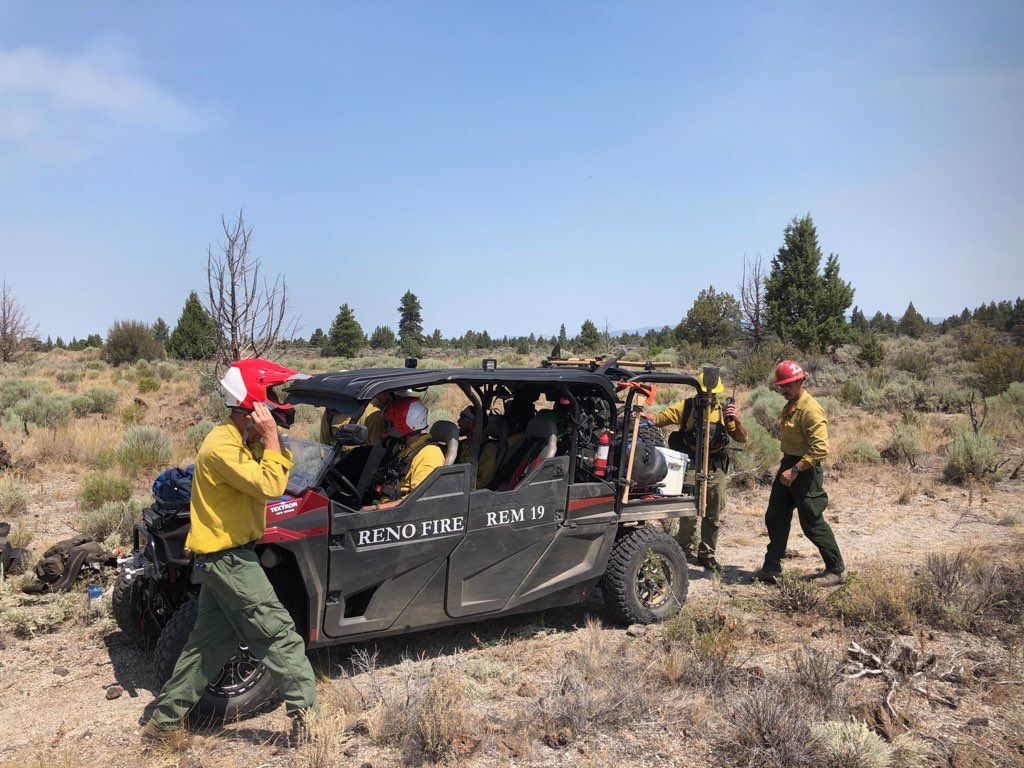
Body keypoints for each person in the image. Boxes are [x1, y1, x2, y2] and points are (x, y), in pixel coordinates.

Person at [142, 359, 319, 748]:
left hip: (224, 559)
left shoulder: (236, 440)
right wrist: (271, 438)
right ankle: (310, 725)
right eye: (272, 397)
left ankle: (163, 723)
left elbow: (273, 475)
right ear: (253, 402)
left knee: (208, 646)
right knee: (281, 638)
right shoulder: (223, 446)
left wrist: (264, 438)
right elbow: (272, 485)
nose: (277, 405)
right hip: (231, 561)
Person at [753, 360, 846, 587]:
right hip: (789, 464)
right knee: (775, 515)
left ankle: (836, 570)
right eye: (780, 387)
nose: (783, 390)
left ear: (800, 381)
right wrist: (789, 467)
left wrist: (795, 470)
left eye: (787, 386)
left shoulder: (810, 409)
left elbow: (820, 450)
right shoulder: (791, 404)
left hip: (805, 471)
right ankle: (772, 568)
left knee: (812, 522)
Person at [644, 370, 747, 573]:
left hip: (715, 467)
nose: (708, 397)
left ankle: (707, 554)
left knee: (713, 513)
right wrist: (642, 415)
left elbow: (742, 438)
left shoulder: (725, 411)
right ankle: (682, 550)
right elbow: (660, 418)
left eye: (711, 393)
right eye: (704, 393)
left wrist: (736, 420)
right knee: (688, 510)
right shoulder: (688, 407)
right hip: (691, 464)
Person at [368, 396, 444, 505]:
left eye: (391, 424)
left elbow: (420, 497)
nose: (388, 428)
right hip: (388, 503)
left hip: (400, 512)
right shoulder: (404, 448)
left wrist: (378, 509)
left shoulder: (429, 453)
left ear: (405, 423)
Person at [319, 391, 392, 445]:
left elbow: (374, 451)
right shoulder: (330, 413)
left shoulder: (373, 415)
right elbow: (324, 444)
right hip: (335, 461)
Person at [456, 405, 497, 488]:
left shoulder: (488, 449)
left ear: (474, 423)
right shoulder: (459, 444)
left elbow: (482, 481)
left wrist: (456, 486)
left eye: (463, 417)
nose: (458, 421)